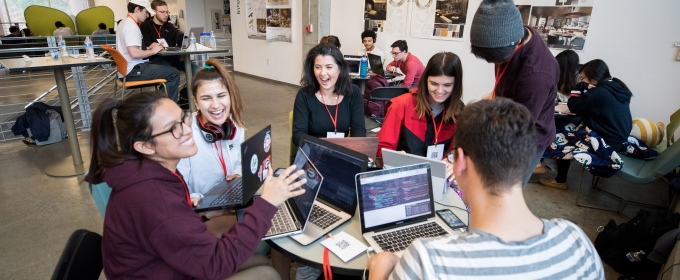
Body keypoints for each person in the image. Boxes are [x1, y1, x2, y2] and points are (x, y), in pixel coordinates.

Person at [367, 97, 604, 279]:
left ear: (459, 162)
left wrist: (380, 270)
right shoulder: (578, 242)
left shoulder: (428, 261)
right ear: (527, 159)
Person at [85, 90, 308, 279]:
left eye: (184, 119)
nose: (188, 130)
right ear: (145, 146)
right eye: (174, 128)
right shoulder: (154, 198)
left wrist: (192, 212)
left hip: (165, 265)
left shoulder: (145, 172)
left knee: (259, 260)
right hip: (166, 271)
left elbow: (168, 226)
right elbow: (215, 263)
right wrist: (267, 203)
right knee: (266, 275)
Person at [469, 0, 559, 187]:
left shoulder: (537, 76)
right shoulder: (512, 31)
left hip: (528, 134)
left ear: (517, 43)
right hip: (512, 113)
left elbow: (517, 128)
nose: (490, 63)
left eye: (495, 58)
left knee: (506, 188)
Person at [539, 59, 632, 189]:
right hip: (619, 139)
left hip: (606, 143)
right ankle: (543, 165)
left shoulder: (597, 93)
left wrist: (580, 87)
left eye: (583, 79)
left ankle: (559, 180)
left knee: (559, 133)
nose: (582, 81)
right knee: (568, 127)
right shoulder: (617, 87)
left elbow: (573, 106)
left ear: (593, 80)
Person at [177, 59, 244, 205]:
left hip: (231, 201)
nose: (215, 105)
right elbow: (177, 182)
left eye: (221, 96)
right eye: (206, 98)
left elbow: (240, 160)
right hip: (201, 209)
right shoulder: (185, 134)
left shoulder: (235, 126)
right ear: (196, 102)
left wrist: (238, 173)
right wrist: (192, 197)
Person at [377, 52, 463, 158]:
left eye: (447, 85)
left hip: (440, 173)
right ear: (425, 80)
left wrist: (452, 160)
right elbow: (382, 149)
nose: (440, 91)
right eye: (434, 84)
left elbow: (458, 151)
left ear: (456, 84)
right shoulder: (400, 105)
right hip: (404, 171)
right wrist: (394, 156)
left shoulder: (460, 112)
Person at [293, 43, 366, 145]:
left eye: (329, 67)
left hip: (343, 152)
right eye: (318, 67)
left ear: (339, 69)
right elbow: (298, 135)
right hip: (312, 152)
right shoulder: (304, 95)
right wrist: (324, 150)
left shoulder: (353, 92)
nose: (322, 73)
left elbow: (359, 131)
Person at [116, 0, 180, 102]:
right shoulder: (131, 27)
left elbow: (131, 49)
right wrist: (153, 51)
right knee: (173, 73)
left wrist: (148, 47)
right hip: (134, 70)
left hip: (127, 69)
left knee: (168, 69)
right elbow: (134, 53)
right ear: (137, 9)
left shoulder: (123, 23)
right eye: (146, 12)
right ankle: (165, 108)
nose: (147, 15)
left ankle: (160, 104)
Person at [140, 0, 199, 74]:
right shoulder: (145, 25)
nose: (165, 15)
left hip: (173, 58)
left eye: (167, 12)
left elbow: (177, 44)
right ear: (154, 11)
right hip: (156, 58)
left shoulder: (170, 27)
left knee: (196, 70)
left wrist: (181, 53)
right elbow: (145, 44)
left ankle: (190, 86)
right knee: (171, 71)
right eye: (162, 12)